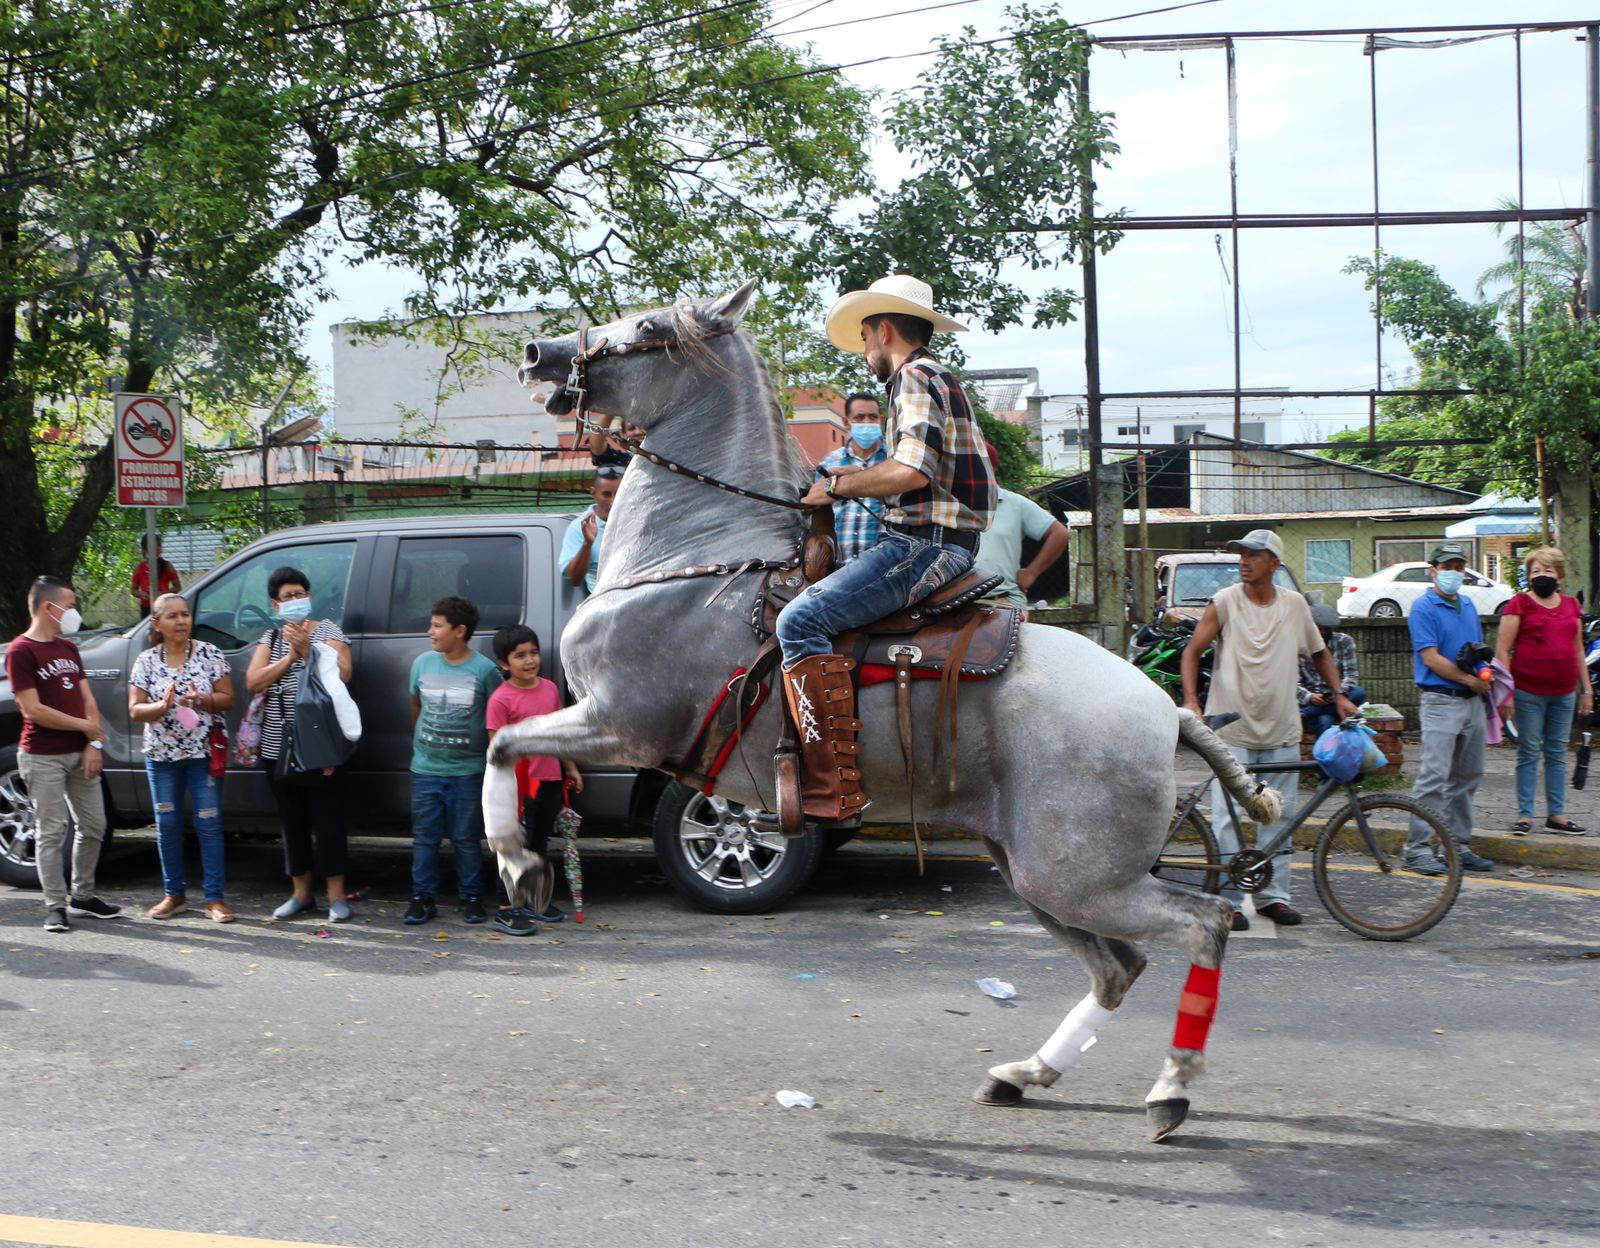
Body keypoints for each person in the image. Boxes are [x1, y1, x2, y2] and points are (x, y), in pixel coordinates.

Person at [776, 274, 997, 821]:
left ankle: (831, 787)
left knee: (797, 624)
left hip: (925, 544)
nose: (867, 352)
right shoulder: (937, 376)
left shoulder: (913, 377)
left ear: (884, 329)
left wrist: (837, 483)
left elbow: (911, 472)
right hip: (943, 538)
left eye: (867, 339)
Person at [1181, 530, 1357, 930]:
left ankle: (1272, 897)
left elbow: (1320, 653)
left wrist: (1339, 694)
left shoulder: (1295, 606)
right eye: (1241, 553)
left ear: (1274, 564)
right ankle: (1226, 902)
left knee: (1279, 816)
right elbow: (1192, 651)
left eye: (1254, 555)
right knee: (1227, 820)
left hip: (1281, 729)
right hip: (1231, 730)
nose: (1244, 560)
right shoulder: (1225, 601)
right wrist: (1192, 701)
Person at [5, 576, 119, 932]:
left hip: (80, 752)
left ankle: (83, 896)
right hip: (42, 755)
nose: (73, 613)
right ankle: (55, 904)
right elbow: (33, 710)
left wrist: (93, 743)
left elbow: (89, 701)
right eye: (69, 606)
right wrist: (83, 728)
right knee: (51, 831)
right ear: (47, 607)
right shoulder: (21, 651)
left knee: (94, 826)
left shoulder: (68, 649)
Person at [246, 566, 356, 921]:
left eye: (300, 594)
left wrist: (309, 649)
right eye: (287, 597)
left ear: (309, 597)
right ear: (275, 604)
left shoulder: (327, 630)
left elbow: (344, 673)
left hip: (321, 742)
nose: (295, 601)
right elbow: (254, 681)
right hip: (279, 747)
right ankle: (301, 894)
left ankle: (336, 897)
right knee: (292, 822)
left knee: (329, 820)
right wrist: (292, 656)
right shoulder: (271, 639)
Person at [128, 593, 236, 921]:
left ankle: (215, 899)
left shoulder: (209, 654)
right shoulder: (146, 661)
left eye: (185, 615)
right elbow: (135, 709)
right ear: (156, 624)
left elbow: (228, 698)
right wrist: (160, 707)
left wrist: (203, 700)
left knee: (208, 823)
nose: (181, 621)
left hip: (203, 753)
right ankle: (174, 895)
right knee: (168, 825)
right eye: (172, 616)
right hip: (161, 757)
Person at [405, 595, 502, 926]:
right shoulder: (422, 664)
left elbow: (495, 715)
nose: (429, 631)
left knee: (466, 838)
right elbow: (415, 706)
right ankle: (422, 897)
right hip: (425, 769)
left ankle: (472, 897)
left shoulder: (485, 670)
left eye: (436, 625)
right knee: (425, 838)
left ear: (459, 631)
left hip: (467, 771)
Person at [1406, 542, 1498, 875]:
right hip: (1441, 700)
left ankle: (1456, 845)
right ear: (1433, 570)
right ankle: (1416, 849)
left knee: (1467, 777)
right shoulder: (1423, 608)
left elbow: (1473, 649)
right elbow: (1430, 658)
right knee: (1433, 778)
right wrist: (1470, 681)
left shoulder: (1468, 605)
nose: (1454, 573)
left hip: (1471, 700)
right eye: (1447, 567)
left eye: (1459, 567)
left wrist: (1483, 673)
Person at [484, 624, 583, 936]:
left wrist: (570, 768)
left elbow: (560, 734)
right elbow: (497, 750)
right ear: (504, 663)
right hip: (518, 787)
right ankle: (505, 909)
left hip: (550, 780)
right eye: (520, 655)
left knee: (539, 845)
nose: (529, 661)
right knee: (514, 848)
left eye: (534, 653)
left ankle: (531, 902)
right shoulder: (500, 700)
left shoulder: (551, 690)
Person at [1495, 545, 1593, 836]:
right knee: (1528, 751)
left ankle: (1557, 815)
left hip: (1564, 692)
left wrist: (1587, 690)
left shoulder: (1571, 606)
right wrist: (1506, 692)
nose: (1541, 576)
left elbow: (1577, 650)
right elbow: (1503, 648)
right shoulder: (1519, 604)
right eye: (1535, 570)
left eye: (1547, 570)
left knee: (1557, 752)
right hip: (1528, 691)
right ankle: (1525, 816)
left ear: (1559, 574)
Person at [974, 441, 1070, 611]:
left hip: (1004, 603)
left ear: (993, 467)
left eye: (977, 462)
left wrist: (1032, 572)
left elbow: (1060, 534)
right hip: (956, 606)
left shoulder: (1015, 504)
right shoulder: (950, 504)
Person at [816, 392, 890, 562]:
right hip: (837, 564)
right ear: (846, 422)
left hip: (883, 565)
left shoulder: (894, 460)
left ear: (881, 420)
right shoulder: (830, 462)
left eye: (873, 417)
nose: (867, 422)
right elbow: (818, 505)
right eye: (859, 417)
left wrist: (859, 477)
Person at [1298, 602, 1368, 738]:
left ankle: (1308, 713)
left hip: (1339, 694)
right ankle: (1329, 757)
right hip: (1311, 697)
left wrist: (1337, 694)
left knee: (1359, 693)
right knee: (1325, 720)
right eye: (1320, 629)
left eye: (1328, 629)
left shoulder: (1344, 641)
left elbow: (1351, 676)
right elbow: (1292, 684)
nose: (1324, 632)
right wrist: (1310, 697)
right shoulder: (1298, 645)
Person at [560, 466, 623, 593]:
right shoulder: (579, 528)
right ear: (593, 493)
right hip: (604, 603)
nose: (613, 502)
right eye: (606, 494)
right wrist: (587, 544)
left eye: (619, 494)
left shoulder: (635, 521)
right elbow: (574, 579)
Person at [131, 537, 181, 617]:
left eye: (159, 545)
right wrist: (141, 594)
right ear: (145, 549)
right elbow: (133, 590)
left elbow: (177, 587)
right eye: (154, 545)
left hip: (163, 606)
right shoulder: (140, 567)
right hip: (146, 607)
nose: (158, 548)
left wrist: (162, 594)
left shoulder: (166, 565)